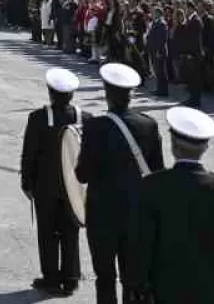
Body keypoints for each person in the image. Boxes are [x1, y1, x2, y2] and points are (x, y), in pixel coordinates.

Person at [130, 106, 214, 304]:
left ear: (173, 145)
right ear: (206, 147)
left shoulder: (151, 186)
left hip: (165, 291)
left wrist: (138, 286)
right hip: (212, 292)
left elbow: (142, 243)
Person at [75, 62, 165, 304]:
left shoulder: (95, 127)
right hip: (137, 214)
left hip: (102, 214)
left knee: (104, 276)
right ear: (131, 94)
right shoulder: (148, 124)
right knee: (132, 277)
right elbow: (158, 172)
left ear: (106, 94)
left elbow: (82, 174)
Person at [20, 67, 88, 296]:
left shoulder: (38, 118)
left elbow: (29, 153)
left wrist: (27, 182)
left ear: (50, 92)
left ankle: (51, 276)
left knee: (47, 231)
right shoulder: (85, 118)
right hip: (74, 187)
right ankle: (71, 277)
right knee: (71, 231)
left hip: (46, 187)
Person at [144, 8, 169, 97]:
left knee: (161, 71)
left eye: (154, 13)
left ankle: (164, 90)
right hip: (154, 49)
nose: (152, 14)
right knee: (157, 71)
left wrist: (159, 50)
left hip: (159, 50)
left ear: (158, 13)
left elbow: (161, 39)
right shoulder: (155, 22)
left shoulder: (162, 23)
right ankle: (159, 88)